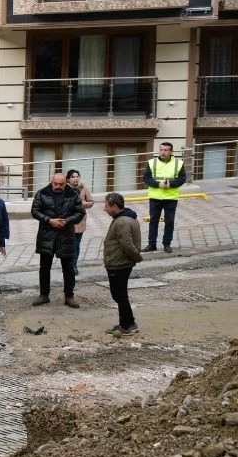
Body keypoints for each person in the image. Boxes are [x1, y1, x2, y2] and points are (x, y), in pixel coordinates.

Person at [31, 172, 85, 308]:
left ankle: (69, 296)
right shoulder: (42, 193)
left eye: (61, 184)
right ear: (51, 182)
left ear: (65, 183)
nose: (58, 186)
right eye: (55, 184)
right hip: (47, 234)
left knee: (68, 268)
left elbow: (80, 212)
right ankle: (44, 294)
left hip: (66, 234)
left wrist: (67, 221)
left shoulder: (73, 195)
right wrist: (49, 220)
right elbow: (35, 211)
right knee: (44, 267)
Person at [102, 192, 143, 335]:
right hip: (121, 262)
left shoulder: (121, 222)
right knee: (120, 294)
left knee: (119, 295)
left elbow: (127, 244)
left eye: (106, 206)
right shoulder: (126, 218)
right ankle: (127, 322)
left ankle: (128, 325)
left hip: (119, 264)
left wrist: (137, 257)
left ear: (114, 206)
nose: (104, 209)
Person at [142, 142, 187, 254]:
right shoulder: (152, 162)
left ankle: (167, 244)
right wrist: (158, 184)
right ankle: (152, 244)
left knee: (169, 221)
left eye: (166, 150)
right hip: (155, 196)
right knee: (153, 221)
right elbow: (146, 178)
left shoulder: (179, 163)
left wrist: (170, 184)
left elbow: (182, 179)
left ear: (171, 152)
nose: (163, 152)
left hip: (171, 197)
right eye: (161, 149)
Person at [66, 170, 95, 274]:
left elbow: (91, 202)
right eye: (73, 177)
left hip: (80, 220)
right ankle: (67, 264)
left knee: (76, 244)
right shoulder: (64, 189)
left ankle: (74, 265)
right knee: (68, 244)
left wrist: (81, 204)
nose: (76, 178)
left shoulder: (83, 188)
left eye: (77, 176)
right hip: (67, 220)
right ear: (68, 179)